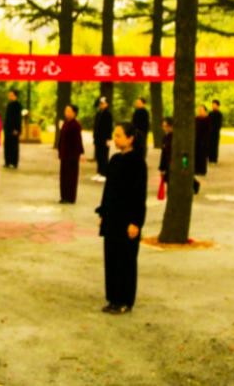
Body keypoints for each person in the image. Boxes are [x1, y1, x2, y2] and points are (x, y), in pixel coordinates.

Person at [97, 122, 147, 315]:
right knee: (111, 258)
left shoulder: (137, 163)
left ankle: (125, 300)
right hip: (112, 217)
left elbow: (139, 195)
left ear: (130, 138)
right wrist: (103, 213)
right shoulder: (115, 160)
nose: (115, 139)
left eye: (119, 135)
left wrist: (136, 222)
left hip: (127, 219)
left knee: (125, 260)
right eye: (114, 135)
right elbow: (108, 190)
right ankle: (113, 298)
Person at [58, 105, 85, 204]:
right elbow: (61, 138)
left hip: (72, 155)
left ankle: (70, 197)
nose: (66, 113)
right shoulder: (65, 123)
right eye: (66, 111)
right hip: (64, 154)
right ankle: (64, 196)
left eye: (69, 111)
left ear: (74, 113)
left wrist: (81, 153)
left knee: (71, 176)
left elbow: (78, 140)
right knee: (63, 176)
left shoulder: (76, 125)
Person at [92, 97, 114, 182]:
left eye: (102, 103)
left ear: (106, 104)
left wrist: (109, 139)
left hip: (105, 138)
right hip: (98, 138)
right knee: (98, 155)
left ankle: (104, 173)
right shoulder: (98, 113)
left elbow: (109, 127)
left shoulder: (108, 114)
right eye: (100, 103)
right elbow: (95, 126)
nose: (101, 105)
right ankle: (99, 172)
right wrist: (94, 137)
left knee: (104, 156)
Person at [4, 90, 23, 168]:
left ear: (15, 96)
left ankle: (14, 162)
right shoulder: (9, 104)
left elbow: (18, 118)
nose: (9, 96)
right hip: (7, 129)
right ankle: (7, 162)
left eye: (11, 95)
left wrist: (17, 129)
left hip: (14, 129)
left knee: (14, 146)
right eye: (9, 95)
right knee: (7, 145)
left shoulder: (17, 105)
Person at [194, 106, 211, 176]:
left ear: (205, 111)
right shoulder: (196, 118)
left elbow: (208, 131)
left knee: (202, 156)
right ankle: (196, 170)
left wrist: (204, 140)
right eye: (199, 110)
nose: (200, 111)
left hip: (204, 140)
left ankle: (202, 170)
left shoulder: (208, 119)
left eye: (201, 110)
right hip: (196, 139)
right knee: (196, 155)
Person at [208, 100, 224, 164]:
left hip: (215, 133)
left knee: (215, 146)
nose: (213, 106)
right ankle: (210, 158)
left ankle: (214, 159)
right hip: (209, 133)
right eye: (212, 104)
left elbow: (219, 124)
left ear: (218, 106)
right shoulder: (210, 113)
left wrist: (214, 129)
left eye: (214, 105)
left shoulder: (219, 114)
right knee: (210, 145)